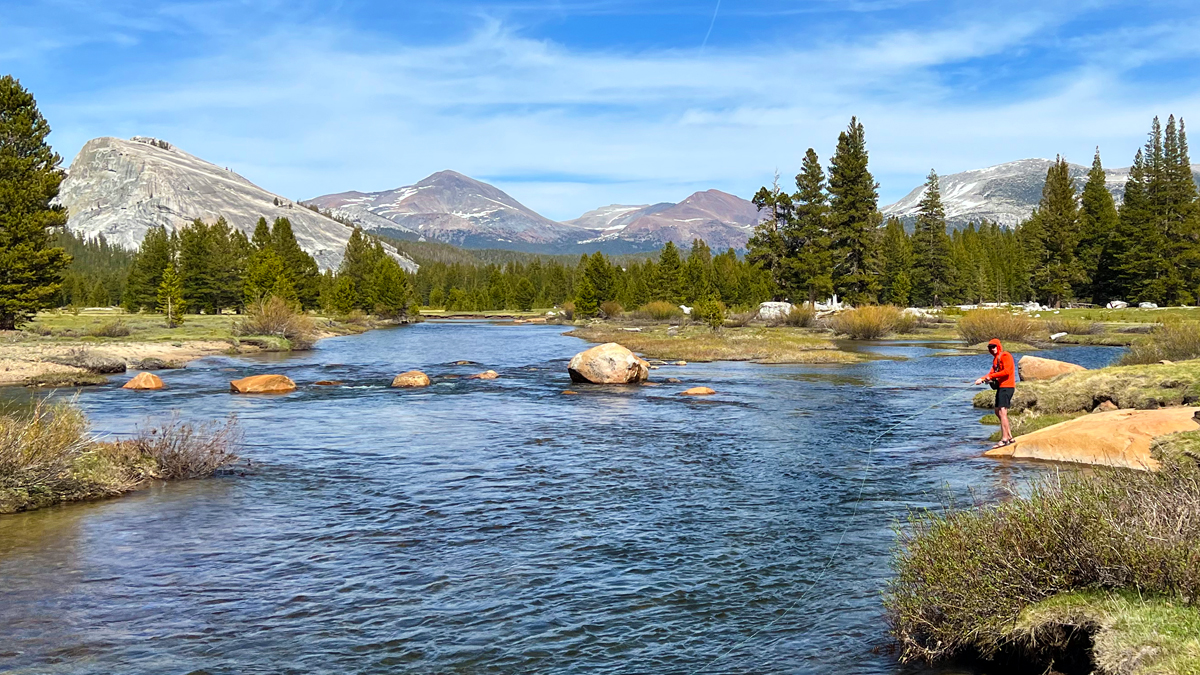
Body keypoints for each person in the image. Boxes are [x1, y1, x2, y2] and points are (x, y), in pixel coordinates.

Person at [974, 338, 1015, 449]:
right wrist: (982, 379)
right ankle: (1010, 436)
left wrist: (990, 377)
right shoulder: (995, 359)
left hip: (1008, 387)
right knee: (997, 411)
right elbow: (991, 373)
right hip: (1001, 388)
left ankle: (1004, 439)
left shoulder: (1006, 355)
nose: (992, 349)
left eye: (994, 347)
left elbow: (1007, 371)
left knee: (1002, 412)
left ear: (998, 346)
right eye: (990, 347)